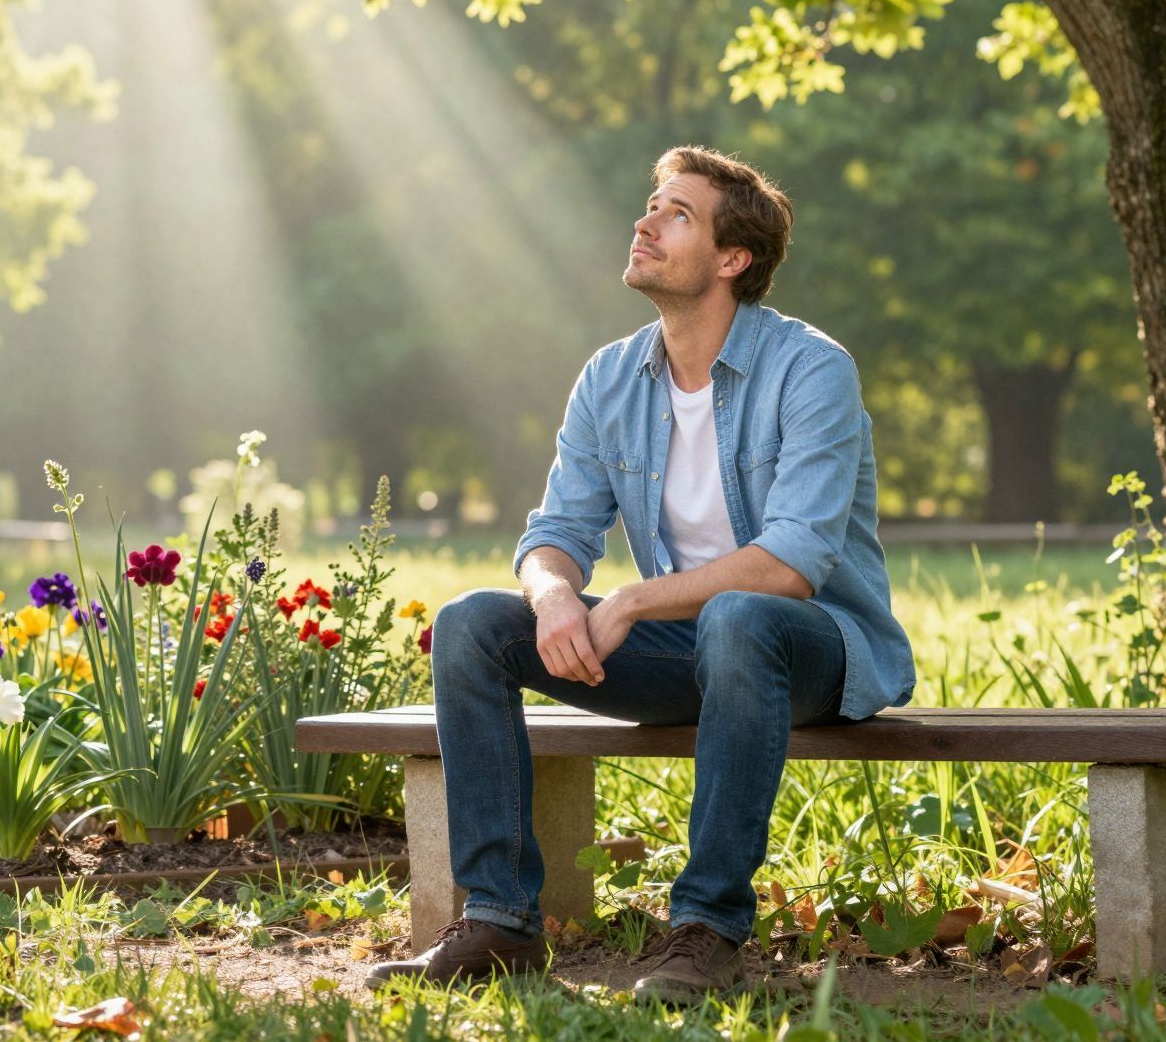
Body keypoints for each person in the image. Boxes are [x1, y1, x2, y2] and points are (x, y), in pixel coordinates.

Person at [370, 145, 915, 1001]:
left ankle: (706, 930)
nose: (645, 222)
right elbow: (555, 532)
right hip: (684, 653)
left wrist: (627, 599)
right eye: (650, 204)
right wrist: (552, 595)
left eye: (677, 213)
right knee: (475, 623)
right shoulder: (611, 377)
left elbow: (791, 565)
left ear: (732, 259)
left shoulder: (812, 370)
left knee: (737, 618)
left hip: (812, 649)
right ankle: (501, 921)